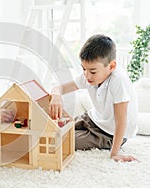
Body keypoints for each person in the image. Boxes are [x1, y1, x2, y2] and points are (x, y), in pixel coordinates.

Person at [49, 34, 138, 162]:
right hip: (92, 119)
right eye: (83, 69)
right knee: (55, 128)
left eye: (92, 71)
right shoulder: (89, 75)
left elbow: (121, 120)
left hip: (109, 133)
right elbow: (59, 88)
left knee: (60, 140)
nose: (87, 75)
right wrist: (56, 96)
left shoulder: (119, 81)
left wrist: (114, 153)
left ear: (111, 66)